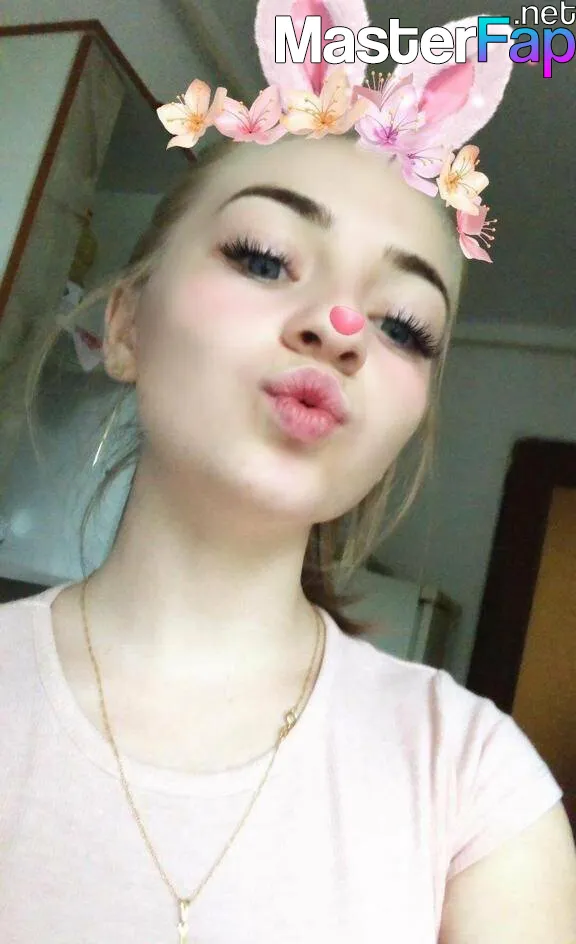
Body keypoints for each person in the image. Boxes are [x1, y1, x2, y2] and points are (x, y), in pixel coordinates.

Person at [1, 3, 576, 942]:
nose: (340, 330)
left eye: (403, 326)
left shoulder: (478, 789)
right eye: (266, 259)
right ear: (126, 324)